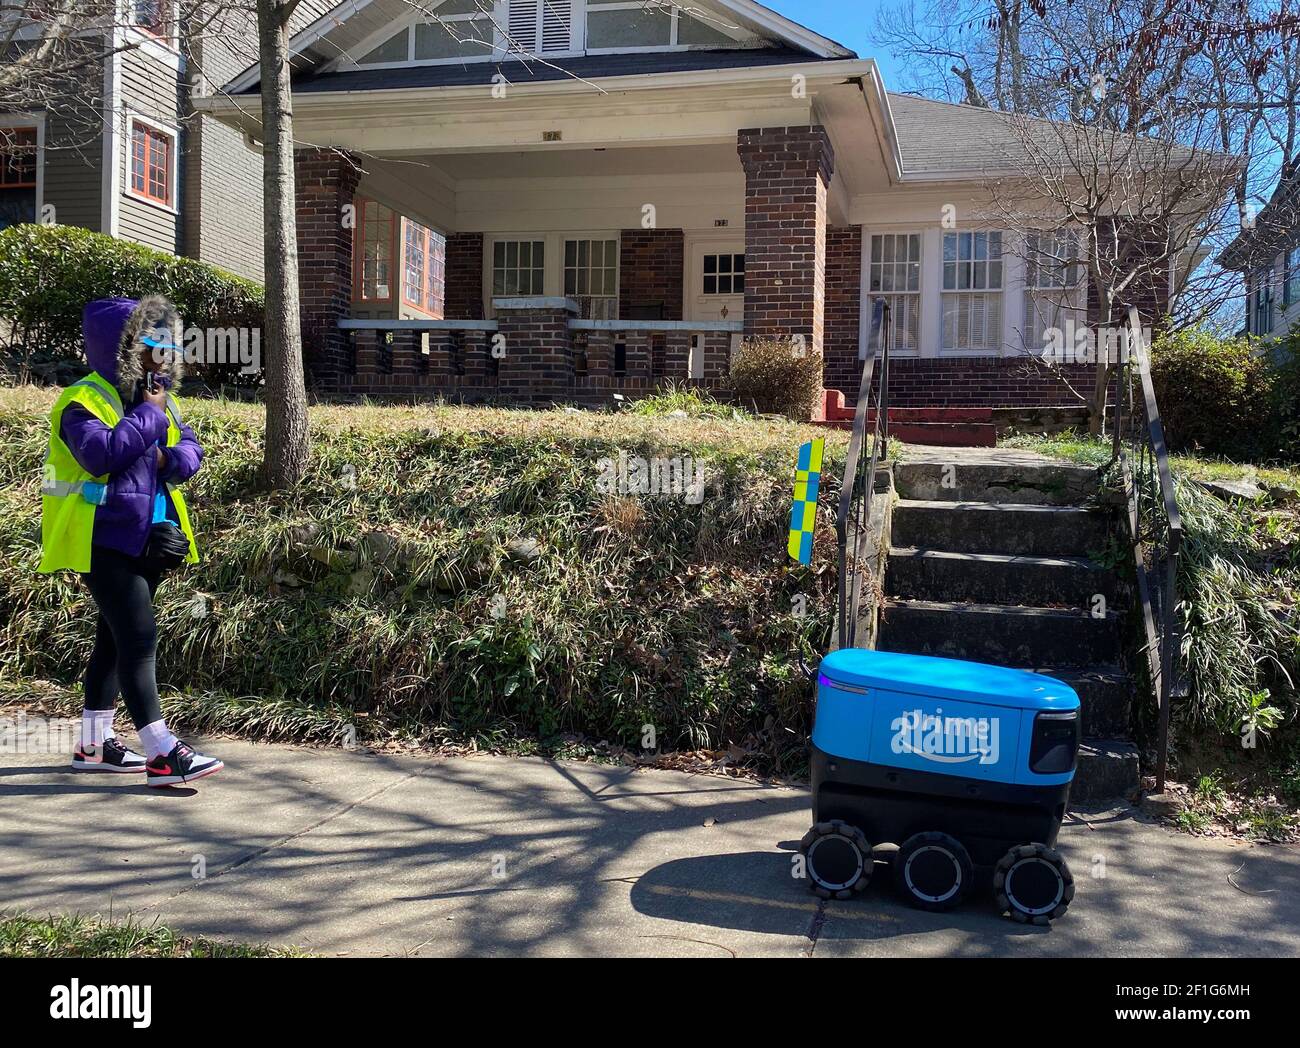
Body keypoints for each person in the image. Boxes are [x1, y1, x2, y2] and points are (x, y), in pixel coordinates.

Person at [39, 295, 224, 787]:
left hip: (149, 539)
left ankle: (93, 746)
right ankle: (163, 752)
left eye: (168, 342)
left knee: (114, 641)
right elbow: (100, 456)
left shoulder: (159, 397)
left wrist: (168, 457)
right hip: (101, 539)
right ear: (121, 347)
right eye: (151, 342)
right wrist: (151, 417)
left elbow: (189, 451)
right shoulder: (82, 401)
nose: (163, 352)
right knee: (139, 639)